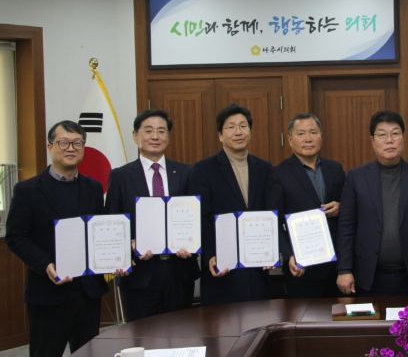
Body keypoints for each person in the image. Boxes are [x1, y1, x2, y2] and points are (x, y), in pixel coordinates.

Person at [5, 121, 117, 357]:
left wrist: (117, 255)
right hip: (47, 291)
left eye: (77, 143)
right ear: (50, 147)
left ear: (83, 148)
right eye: (63, 142)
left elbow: (100, 231)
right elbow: (15, 236)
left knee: (88, 353)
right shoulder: (28, 189)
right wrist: (45, 264)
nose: (71, 148)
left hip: (87, 291)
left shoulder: (94, 187)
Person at [336, 110, 408, 296]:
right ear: (372, 140)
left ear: (403, 138)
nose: (389, 140)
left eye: (395, 133)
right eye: (382, 135)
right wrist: (344, 269)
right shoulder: (356, 177)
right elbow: (346, 226)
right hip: (368, 275)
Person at [105, 109, 199, 321]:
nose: (155, 136)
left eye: (161, 131)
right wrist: (127, 247)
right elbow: (112, 221)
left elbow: (197, 217)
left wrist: (192, 242)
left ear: (168, 137)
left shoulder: (186, 173)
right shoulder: (120, 176)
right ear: (135, 136)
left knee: (180, 333)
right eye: (148, 131)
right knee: (141, 335)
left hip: (179, 271)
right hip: (139, 274)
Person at [189, 103, 272, 305]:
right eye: (231, 127)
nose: (238, 132)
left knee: (260, 319)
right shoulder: (204, 169)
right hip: (222, 267)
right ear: (220, 135)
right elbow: (201, 217)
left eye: (243, 126)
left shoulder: (264, 168)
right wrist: (210, 254)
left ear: (250, 131)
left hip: (257, 267)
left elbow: (271, 213)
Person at [266, 113, 345, 298]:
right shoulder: (278, 174)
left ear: (321, 136)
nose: (308, 139)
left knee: (338, 314)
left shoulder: (335, 169)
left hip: (337, 266)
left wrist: (341, 207)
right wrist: (289, 255)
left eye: (313, 132)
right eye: (301, 134)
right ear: (290, 139)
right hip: (302, 267)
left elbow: (351, 208)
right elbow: (274, 222)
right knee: (304, 315)